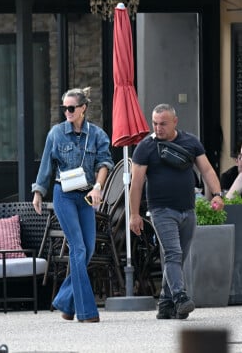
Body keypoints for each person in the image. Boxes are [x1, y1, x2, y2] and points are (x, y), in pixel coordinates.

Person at [129, 103, 225, 320]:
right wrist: (134, 215)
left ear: (175, 122)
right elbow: (136, 184)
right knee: (173, 253)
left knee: (177, 257)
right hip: (161, 210)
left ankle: (165, 302)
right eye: (154, 123)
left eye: (162, 123)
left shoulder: (190, 141)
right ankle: (180, 297)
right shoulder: (145, 147)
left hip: (187, 209)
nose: (158, 128)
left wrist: (218, 194)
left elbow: (207, 169)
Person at [31, 87, 113, 323]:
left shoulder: (97, 134)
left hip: (86, 195)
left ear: (83, 108)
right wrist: (38, 192)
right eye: (64, 108)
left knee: (87, 250)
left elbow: (104, 162)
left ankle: (66, 302)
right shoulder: (56, 133)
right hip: (63, 194)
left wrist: (98, 187)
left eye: (71, 108)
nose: (66, 111)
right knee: (77, 248)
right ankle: (87, 312)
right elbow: (46, 165)